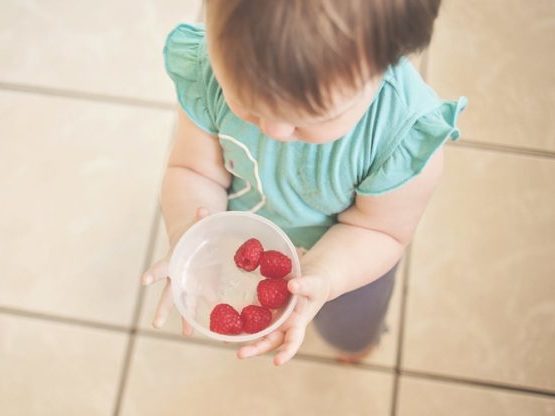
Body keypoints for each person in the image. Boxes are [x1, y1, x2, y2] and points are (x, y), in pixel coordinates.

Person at [141, 0, 466, 366]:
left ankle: (355, 345)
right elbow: (194, 170)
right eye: (248, 103)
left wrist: (325, 276)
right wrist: (189, 233)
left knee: (350, 324)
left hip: (349, 260)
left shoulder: (402, 136)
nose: (274, 130)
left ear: (389, 59)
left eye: (307, 119)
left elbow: (381, 231)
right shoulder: (213, 68)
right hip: (248, 234)